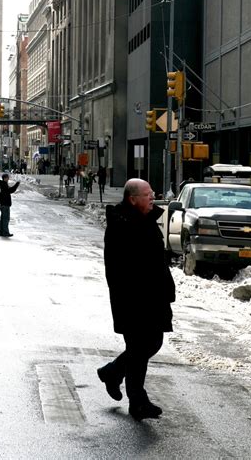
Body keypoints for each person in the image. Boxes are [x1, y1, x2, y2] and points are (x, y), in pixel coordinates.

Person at [98, 178, 175, 421]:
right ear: (133, 199)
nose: (152, 197)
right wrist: (138, 294)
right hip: (134, 299)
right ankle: (136, 400)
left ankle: (114, 374)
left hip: (151, 297)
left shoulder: (144, 220)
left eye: (152, 193)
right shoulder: (123, 224)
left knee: (146, 346)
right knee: (142, 347)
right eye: (147, 195)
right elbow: (122, 268)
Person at [0, 173, 20, 237]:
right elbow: (10, 190)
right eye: (7, 178)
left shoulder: (2, 184)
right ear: (5, 178)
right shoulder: (4, 185)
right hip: (5, 204)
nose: (8, 179)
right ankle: (5, 232)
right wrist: (17, 184)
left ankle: (1, 232)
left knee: (3, 219)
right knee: (5, 219)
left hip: (3, 204)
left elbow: (10, 190)